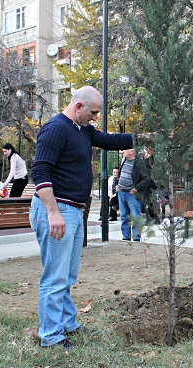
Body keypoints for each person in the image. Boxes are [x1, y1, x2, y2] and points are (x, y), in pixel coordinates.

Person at [30, 86, 132, 349]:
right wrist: (53, 213)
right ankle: (51, 337)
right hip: (57, 210)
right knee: (55, 276)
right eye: (93, 112)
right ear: (78, 107)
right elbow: (40, 173)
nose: (95, 118)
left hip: (73, 210)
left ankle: (67, 324)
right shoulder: (55, 129)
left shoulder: (82, 130)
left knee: (67, 274)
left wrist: (144, 138)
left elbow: (110, 140)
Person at [117, 148, 153, 241]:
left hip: (132, 193)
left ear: (132, 152)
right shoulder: (123, 160)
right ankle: (126, 237)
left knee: (135, 215)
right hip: (122, 192)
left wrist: (136, 188)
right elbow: (120, 173)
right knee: (124, 216)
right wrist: (117, 184)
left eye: (125, 150)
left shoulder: (139, 164)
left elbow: (146, 179)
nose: (123, 151)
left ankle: (136, 237)